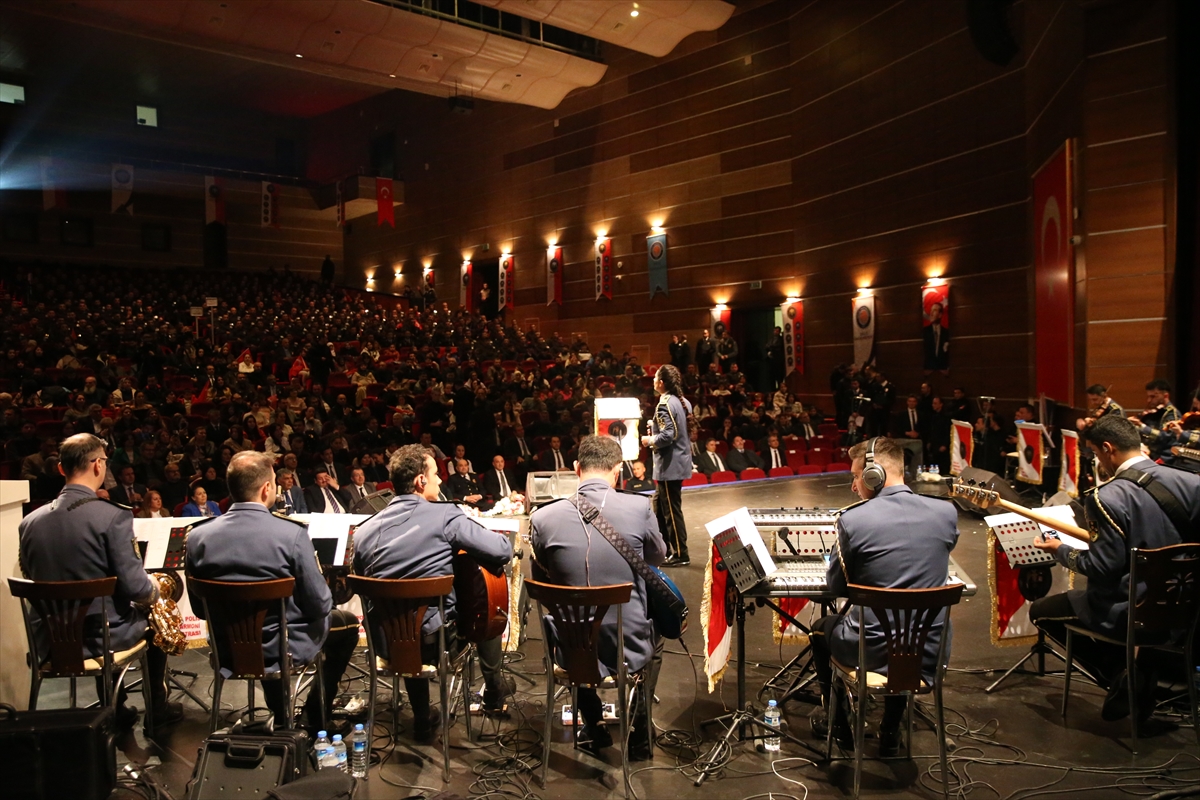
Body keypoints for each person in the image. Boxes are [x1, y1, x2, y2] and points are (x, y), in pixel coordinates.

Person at [1030, 415, 1200, 727]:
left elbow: (1102, 568)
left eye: (1094, 454)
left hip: (1131, 612)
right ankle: (1142, 674)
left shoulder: (1105, 497)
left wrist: (1061, 551)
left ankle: (1128, 683)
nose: (1098, 462)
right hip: (1185, 608)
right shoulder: (1192, 482)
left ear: (1108, 449)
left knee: (1041, 612)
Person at [19, 433, 183, 731]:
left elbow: (30, 576)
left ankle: (117, 709)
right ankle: (155, 709)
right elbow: (138, 589)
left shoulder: (29, 522)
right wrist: (157, 588)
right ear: (97, 465)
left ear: (61, 469)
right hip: (100, 638)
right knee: (155, 615)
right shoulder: (112, 517)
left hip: (49, 644)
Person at [186, 451, 358, 731]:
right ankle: (317, 716)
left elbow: (197, 609)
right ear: (267, 488)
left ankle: (282, 716)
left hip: (226, 649)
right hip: (282, 649)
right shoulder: (290, 534)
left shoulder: (196, 537)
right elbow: (319, 605)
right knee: (346, 627)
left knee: (273, 629)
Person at [352, 445, 514, 739]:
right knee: (487, 599)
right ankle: (493, 688)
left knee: (406, 617)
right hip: (436, 647)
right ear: (420, 481)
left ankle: (423, 717)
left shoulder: (364, 531)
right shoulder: (445, 516)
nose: (441, 480)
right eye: (436, 474)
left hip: (387, 646)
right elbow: (502, 550)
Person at [810, 437, 959, 755]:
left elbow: (836, 587)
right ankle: (891, 731)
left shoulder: (853, 520)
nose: (853, 485)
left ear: (872, 475)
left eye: (854, 476)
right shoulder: (946, 513)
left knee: (822, 628)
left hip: (871, 652)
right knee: (906, 636)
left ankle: (836, 723)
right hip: (928, 655)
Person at [529, 435, 664, 760]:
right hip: (627, 646)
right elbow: (657, 556)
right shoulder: (639, 506)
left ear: (576, 469)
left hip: (571, 649)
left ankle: (593, 725)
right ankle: (640, 735)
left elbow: (543, 571)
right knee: (656, 637)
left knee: (573, 630)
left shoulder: (542, 518)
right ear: (617, 471)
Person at [640, 364, 693, 566]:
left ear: (661, 383)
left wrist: (649, 440)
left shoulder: (664, 404)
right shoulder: (683, 402)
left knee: (671, 511)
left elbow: (668, 435)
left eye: (655, 377)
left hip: (669, 466)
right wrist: (655, 428)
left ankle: (681, 553)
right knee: (660, 507)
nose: (653, 380)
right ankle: (664, 549)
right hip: (678, 462)